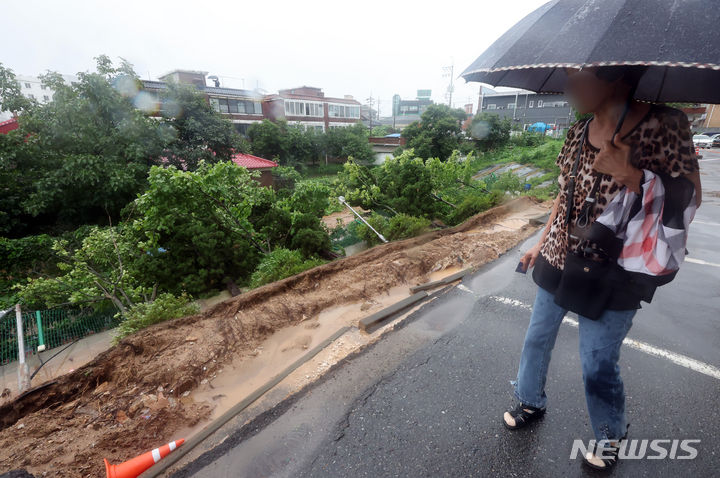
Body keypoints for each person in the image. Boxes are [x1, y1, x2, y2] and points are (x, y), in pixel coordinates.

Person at [501, 65, 702, 471]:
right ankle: (530, 400)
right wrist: (539, 244)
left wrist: (630, 174)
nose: (568, 85)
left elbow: (690, 197)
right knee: (537, 337)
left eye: (578, 77)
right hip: (560, 253)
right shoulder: (578, 130)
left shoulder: (666, 124)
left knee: (596, 360)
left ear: (615, 76)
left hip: (618, 267)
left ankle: (610, 434)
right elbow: (563, 195)